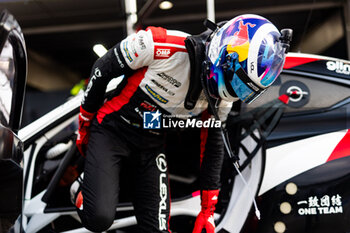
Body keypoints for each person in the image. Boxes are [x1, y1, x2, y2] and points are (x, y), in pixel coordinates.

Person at [72, 14, 290, 232]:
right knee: (99, 218)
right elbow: (102, 69)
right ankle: (83, 184)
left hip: (151, 144)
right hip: (112, 131)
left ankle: (108, 178)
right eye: (235, 80)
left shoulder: (223, 99)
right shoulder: (159, 44)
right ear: (223, 55)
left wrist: (207, 209)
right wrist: (84, 124)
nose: (234, 91)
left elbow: (214, 144)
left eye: (244, 89)